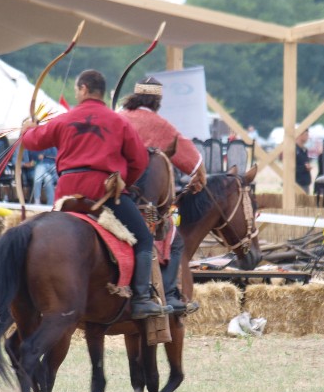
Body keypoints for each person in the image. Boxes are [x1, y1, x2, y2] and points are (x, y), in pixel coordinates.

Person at [20, 69, 165, 319]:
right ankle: (141, 299)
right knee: (143, 238)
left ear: (84, 89)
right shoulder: (119, 121)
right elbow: (140, 160)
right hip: (103, 194)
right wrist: (122, 184)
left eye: (77, 90)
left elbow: (33, 141)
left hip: (67, 195)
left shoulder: (65, 118)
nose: (76, 94)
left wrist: (27, 129)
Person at [120, 77, 206, 314]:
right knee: (173, 239)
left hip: (110, 196)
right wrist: (199, 176)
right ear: (157, 101)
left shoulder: (119, 117)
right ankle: (169, 295)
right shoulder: (159, 125)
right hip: (140, 204)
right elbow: (192, 159)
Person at [295, 128, 312, 192]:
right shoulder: (293, 150)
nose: (308, 137)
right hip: (296, 183)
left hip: (304, 182)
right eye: (306, 134)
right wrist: (304, 167)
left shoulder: (304, 150)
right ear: (299, 135)